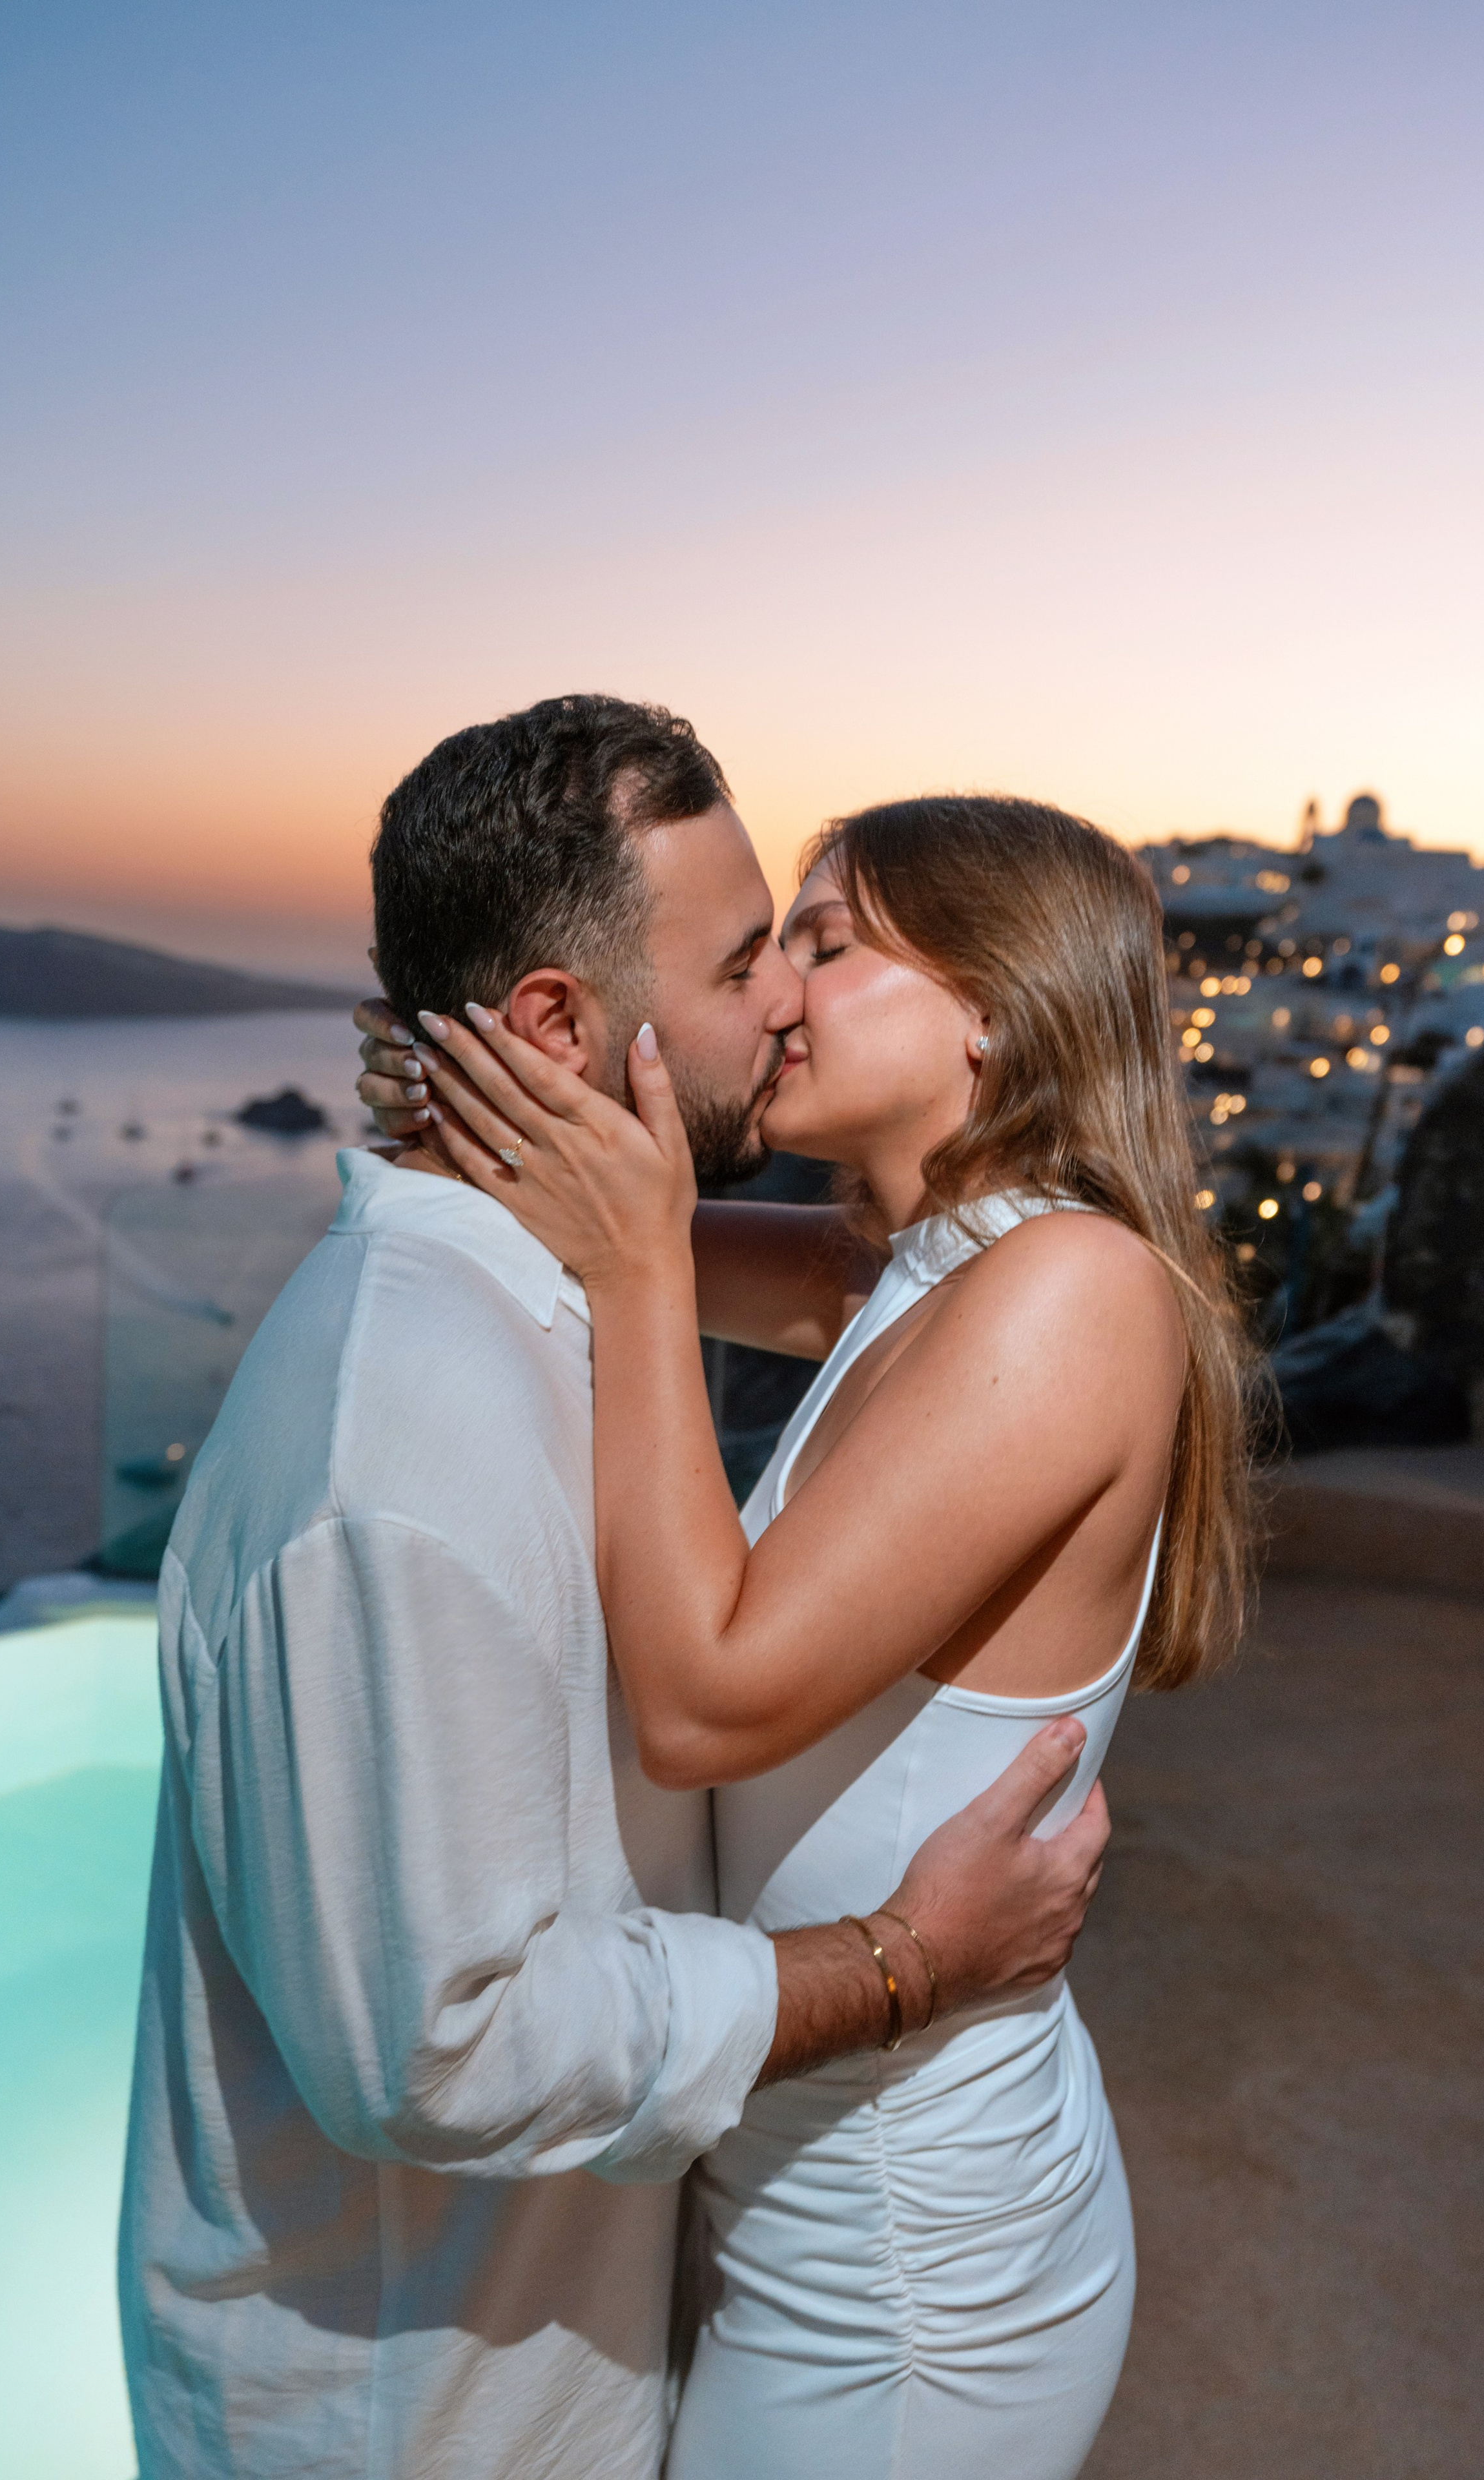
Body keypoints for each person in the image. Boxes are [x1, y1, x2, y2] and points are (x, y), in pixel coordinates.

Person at [118, 698, 1113, 2480]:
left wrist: (597, 1202)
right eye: (751, 959)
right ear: (564, 1023)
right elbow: (447, 2047)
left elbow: (864, 1273)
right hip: (415, 2422)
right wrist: (904, 1961)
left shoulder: (576, 1304)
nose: (784, 1003)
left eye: (819, 950)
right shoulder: (396, 1458)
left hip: (626, 2324)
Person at [360, 787, 1257, 2479]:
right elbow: (602, 1208)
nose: (776, 990)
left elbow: (708, 1701)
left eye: (828, 947)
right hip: (795, 2193)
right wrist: (487, 1086)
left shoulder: (1075, 1293)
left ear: (995, 1004)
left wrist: (633, 1270)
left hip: (910, 2284)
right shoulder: (915, 1270)